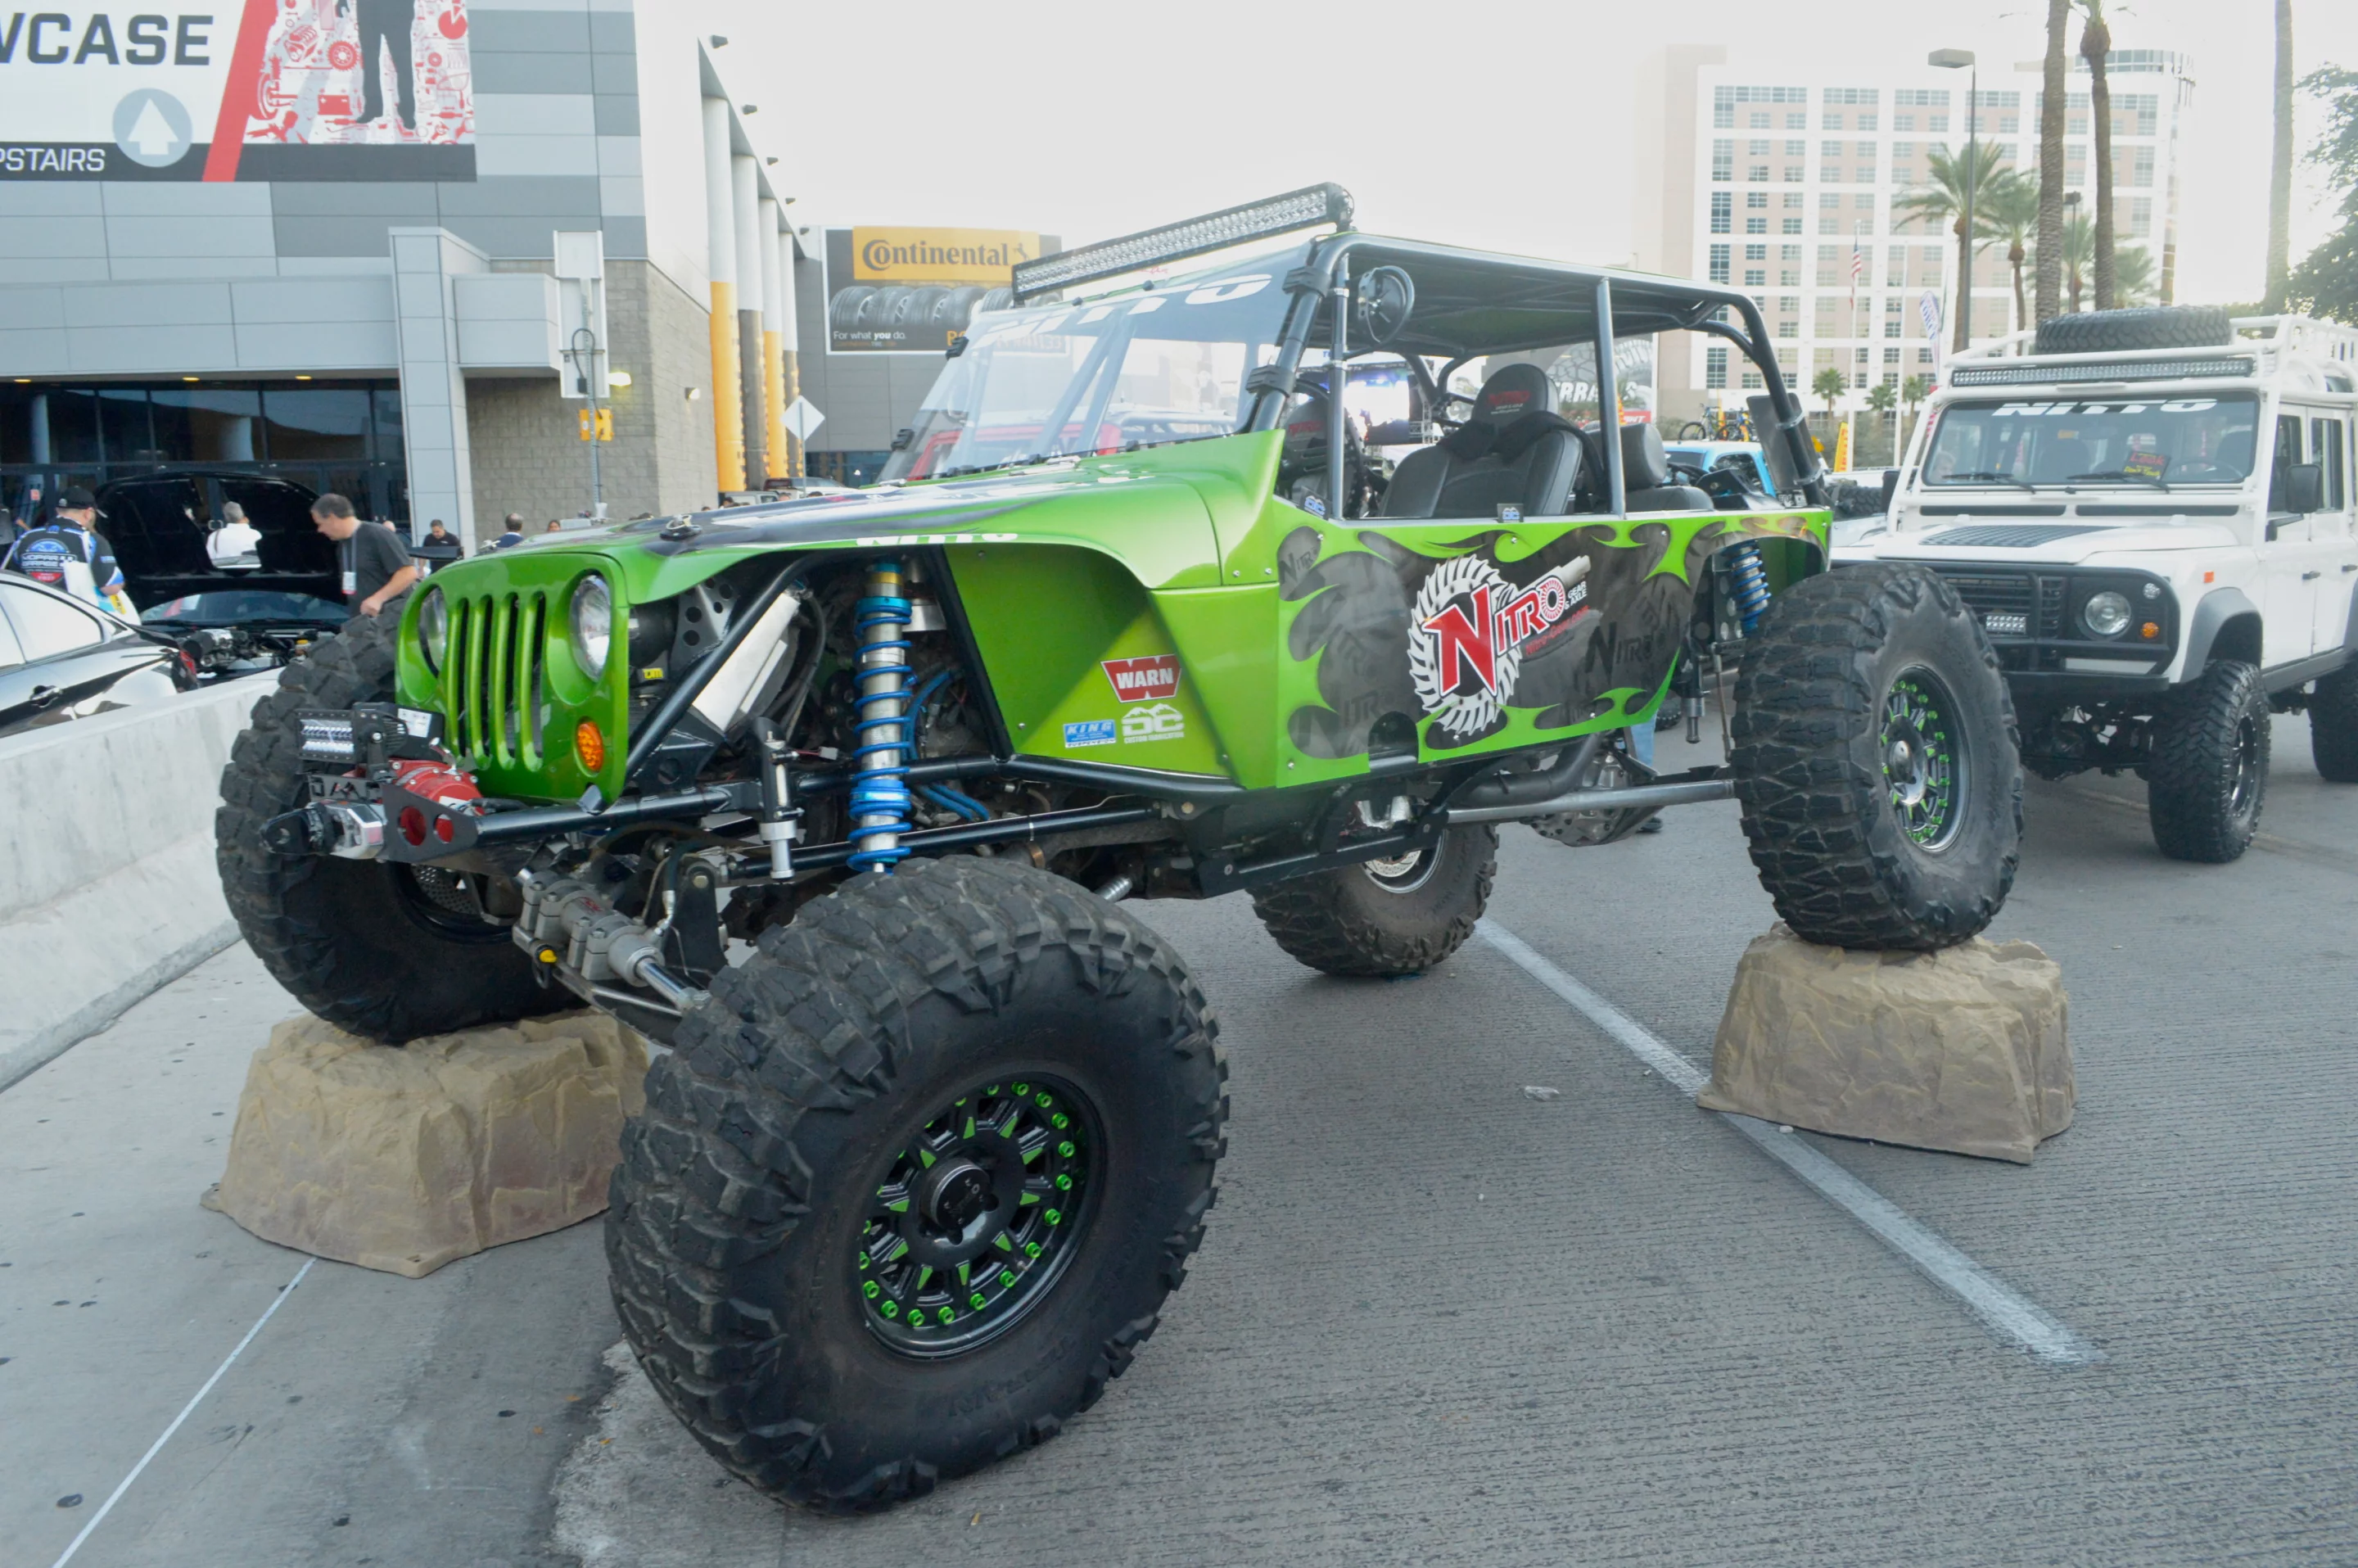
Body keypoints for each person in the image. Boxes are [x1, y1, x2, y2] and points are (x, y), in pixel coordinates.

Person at [4, 484, 136, 619]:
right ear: (88, 513)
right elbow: (110, 587)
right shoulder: (90, 540)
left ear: (57, 510)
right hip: (73, 620)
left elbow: (12, 582)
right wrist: (120, 582)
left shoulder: (24, 539)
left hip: (30, 618)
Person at [311, 493, 416, 617]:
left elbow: (408, 573)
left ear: (332, 518)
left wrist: (378, 599)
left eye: (320, 524)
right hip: (363, 624)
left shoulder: (378, 534)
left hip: (392, 623)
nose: (319, 530)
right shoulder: (342, 545)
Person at [347, 0, 417, 133]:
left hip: (397, 10)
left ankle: (407, 110)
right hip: (369, 10)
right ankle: (373, 107)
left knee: (403, 64)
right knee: (370, 61)